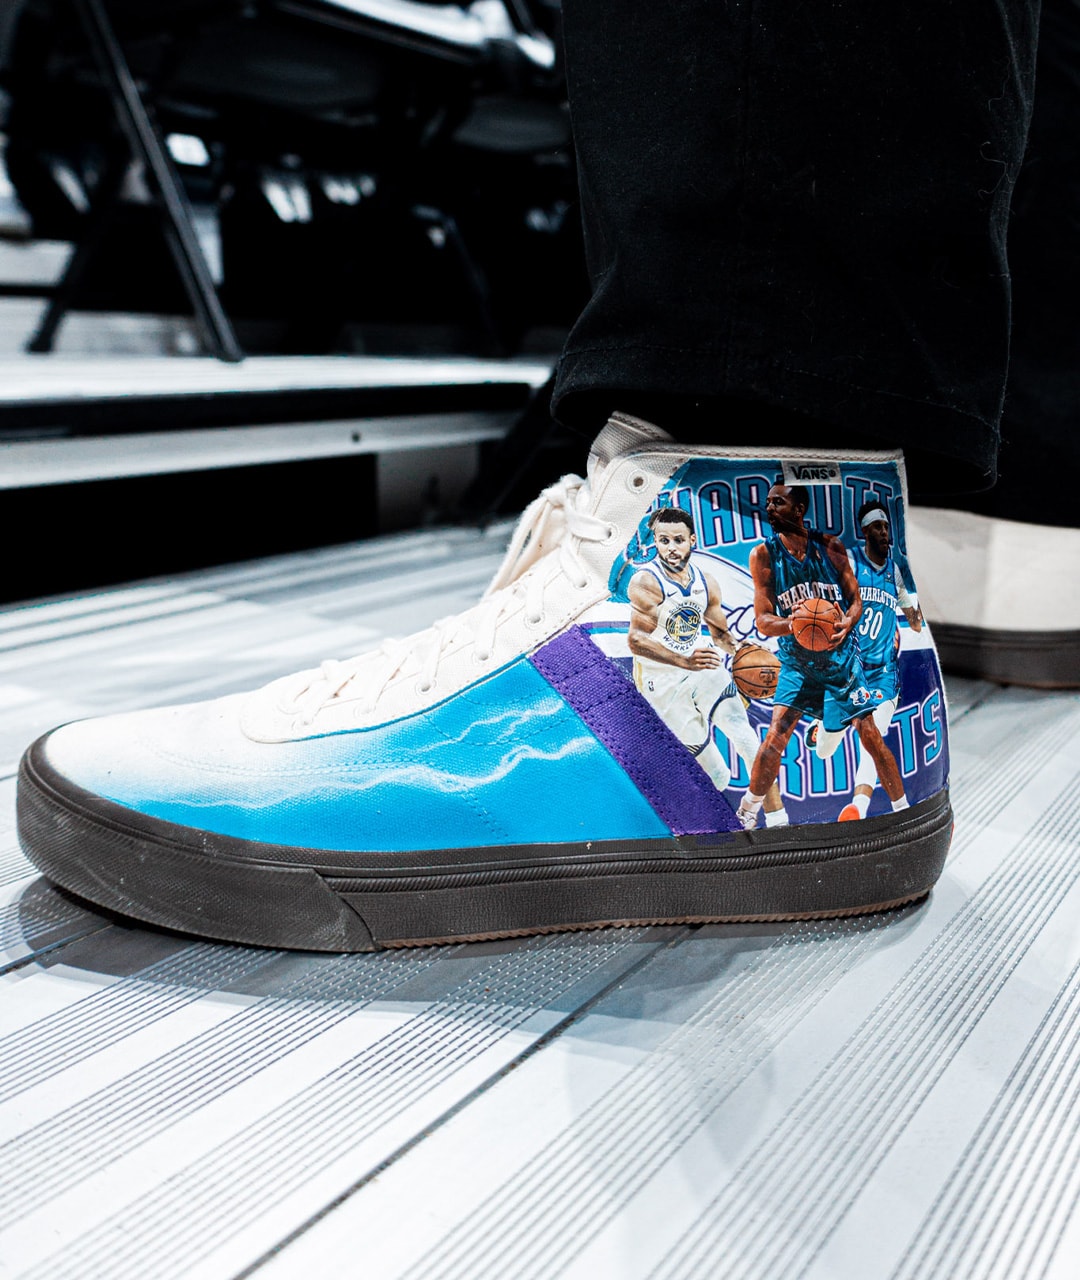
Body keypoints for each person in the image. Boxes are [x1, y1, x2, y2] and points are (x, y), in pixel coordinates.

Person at [734, 484, 909, 831]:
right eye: (768, 503)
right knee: (776, 735)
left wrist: (847, 622)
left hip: (841, 661)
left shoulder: (830, 547)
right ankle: (748, 810)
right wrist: (795, 624)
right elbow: (763, 620)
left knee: (871, 734)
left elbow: (855, 600)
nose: (769, 508)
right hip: (798, 663)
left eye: (778, 502)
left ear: (799, 509)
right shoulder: (763, 555)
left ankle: (904, 811)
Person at [627, 506, 787, 824]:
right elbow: (636, 640)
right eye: (663, 541)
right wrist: (683, 661)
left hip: (702, 663)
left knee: (746, 738)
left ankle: (779, 822)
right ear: (655, 542)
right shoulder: (646, 582)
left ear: (692, 540)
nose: (671, 547)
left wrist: (741, 649)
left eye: (678, 540)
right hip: (661, 680)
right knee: (717, 775)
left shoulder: (706, 582)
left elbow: (720, 634)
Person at [811, 501, 923, 821]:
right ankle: (822, 727)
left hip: (884, 673)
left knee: (872, 736)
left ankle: (859, 808)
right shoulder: (851, 562)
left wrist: (916, 609)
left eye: (886, 526)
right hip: (849, 670)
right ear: (865, 531)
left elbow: (915, 622)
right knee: (825, 751)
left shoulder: (895, 571)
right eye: (877, 527)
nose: (884, 532)